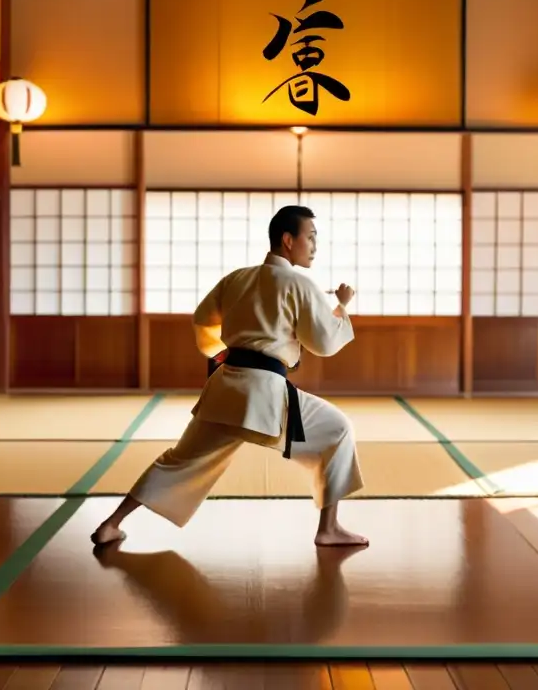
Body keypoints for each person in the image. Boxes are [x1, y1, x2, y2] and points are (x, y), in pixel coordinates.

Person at [91, 205, 367, 548]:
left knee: (178, 461)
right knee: (338, 430)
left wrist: (220, 353)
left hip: (225, 388)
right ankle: (328, 528)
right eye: (310, 237)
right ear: (287, 240)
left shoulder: (237, 278)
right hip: (265, 395)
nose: (314, 246)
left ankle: (111, 523)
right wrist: (341, 306)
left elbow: (203, 320)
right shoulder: (299, 284)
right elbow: (324, 342)